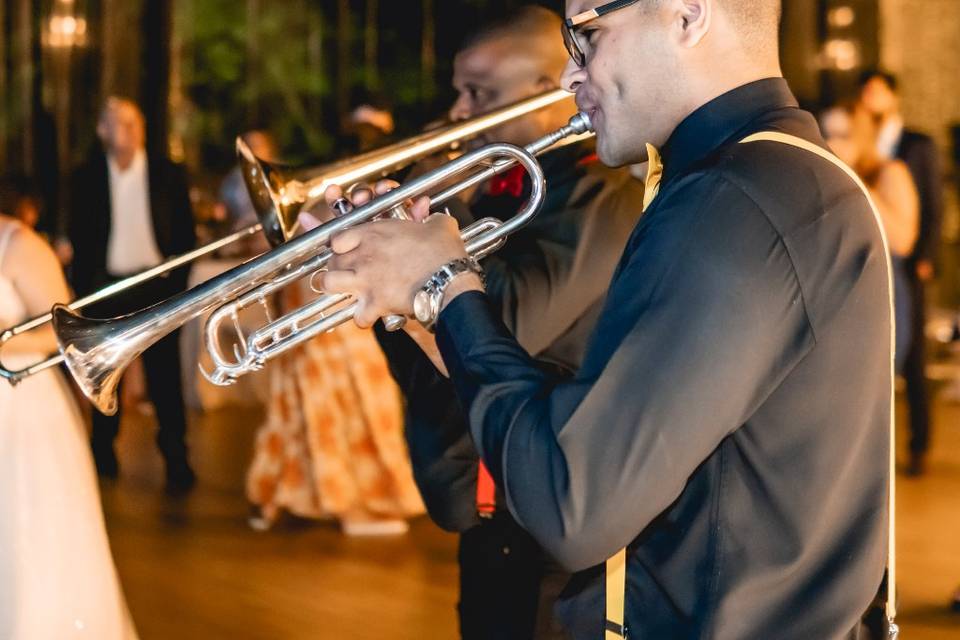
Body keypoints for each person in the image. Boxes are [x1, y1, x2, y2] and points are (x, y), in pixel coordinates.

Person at [319, 0, 894, 637]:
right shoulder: (772, 178)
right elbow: (595, 438)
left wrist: (446, 283)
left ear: (686, 15)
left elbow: (571, 507)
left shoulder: (730, 201)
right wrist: (428, 301)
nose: (570, 76)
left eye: (588, 35)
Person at [340, 7, 643, 638]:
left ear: (546, 89)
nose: (457, 112)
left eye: (479, 93)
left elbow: (501, 329)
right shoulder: (499, 192)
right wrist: (378, 275)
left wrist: (418, 255)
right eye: (459, 92)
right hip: (491, 516)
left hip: (550, 539)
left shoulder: (597, 193)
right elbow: (437, 360)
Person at [0, 214, 138, 639]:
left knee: (28, 541)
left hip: (19, 402)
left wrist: (6, 339)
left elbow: (65, 335)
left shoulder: (17, 243)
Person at [67, 97, 197, 495]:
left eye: (134, 122)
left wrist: (176, 287)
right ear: (102, 131)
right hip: (107, 288)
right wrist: (86, 292)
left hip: (157, 287)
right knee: (109, 372)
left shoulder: (168, 173)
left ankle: (176, 455)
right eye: (119, 123)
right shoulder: (84, 177)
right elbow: (77, 237)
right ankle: (103, 451)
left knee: (165, 376)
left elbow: (185, 235)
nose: (129, 130)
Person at [860, 70, 944, 476]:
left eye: (878, 91)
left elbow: (933, 203)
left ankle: (919, 446)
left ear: (892, 96)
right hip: (877, 262)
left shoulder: (917, 143)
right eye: (867, 92)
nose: (871, 98)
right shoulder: (861, 141)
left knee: (913, 358)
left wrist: (927, 256)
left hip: (909, 262)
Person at [821, 102, 918, 371]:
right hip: (838, 299)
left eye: (842, 135)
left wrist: (853, 177)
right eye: (826, 134)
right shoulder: (826, 177)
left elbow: (903, 241)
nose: (832, 142)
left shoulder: (890, 172)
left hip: (882, 296)